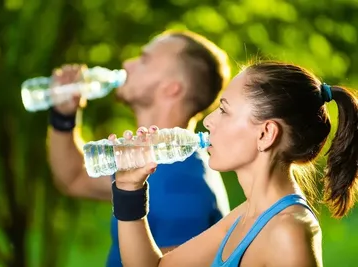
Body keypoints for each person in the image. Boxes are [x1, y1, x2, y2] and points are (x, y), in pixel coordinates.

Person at [110, 61, 358, 267]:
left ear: (266, 134)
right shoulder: (247, 214)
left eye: (224, 110)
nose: (208, 121)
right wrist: (129, 188)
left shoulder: (288, 232)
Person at [47, 30, 232, 267]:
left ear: (171, 88)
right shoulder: (151, 161)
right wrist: (63, 117)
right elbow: (73, 178)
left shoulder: (183, 182)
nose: (127, 64)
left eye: (144, 59)